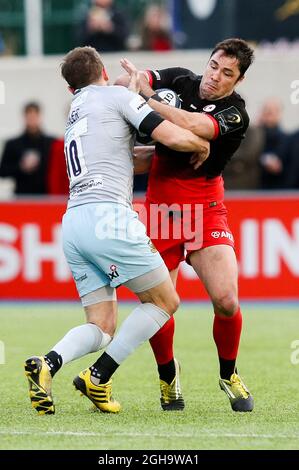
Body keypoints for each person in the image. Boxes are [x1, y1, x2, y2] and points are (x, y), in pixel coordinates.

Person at [24, 46, 209, 415]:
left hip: (74, 223)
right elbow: (171, 135)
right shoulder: (117, 96)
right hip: (109, 217)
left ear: (69, 88)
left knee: (102, 325)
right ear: (103, 73)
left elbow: (128, 160)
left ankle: (49, 363)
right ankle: (99, 375)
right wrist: (201, 142)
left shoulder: (76, 114)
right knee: (165, 301)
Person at [119, 38, 255, 412]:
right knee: (159, 305)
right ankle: (168, 378)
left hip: (205, 205)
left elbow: (197, 126)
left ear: (238, 81)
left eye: (227, 73)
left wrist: (146, 101)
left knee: (227, 300)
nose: (216, 76)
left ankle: (228, 374)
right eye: (214, 65)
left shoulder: (236, 113)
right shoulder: (180, 79)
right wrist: (136, 79)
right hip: (162, 208)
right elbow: (138, 78)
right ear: (208, 61)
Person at [0, 102, 54, 194]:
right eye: (29, 116)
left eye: (34, 116)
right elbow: (3, 171)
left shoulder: (51, 143)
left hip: (46, 196)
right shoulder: (13, 144)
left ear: (39, 116)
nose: (32, 119)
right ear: (24, 117)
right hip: (22, 196)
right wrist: (21, 167)